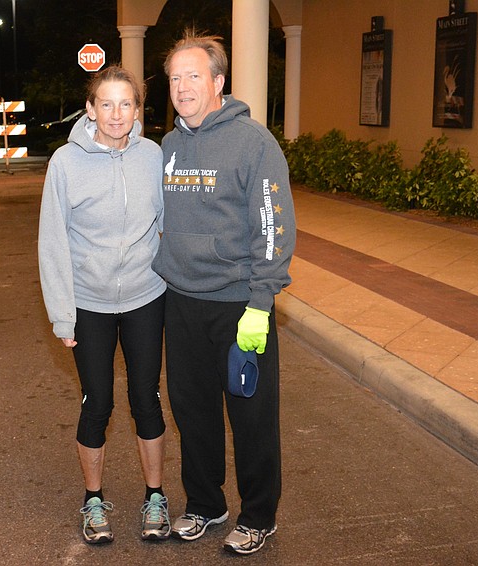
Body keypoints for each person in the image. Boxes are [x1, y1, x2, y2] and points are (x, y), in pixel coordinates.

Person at [151, 32, 296, 555]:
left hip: (239, 305)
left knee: (251, 417)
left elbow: (273, 227)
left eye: (193, 76)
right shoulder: (168, 146)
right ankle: (205, 504)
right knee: (193, 413)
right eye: (174, 78)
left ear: (218, 82)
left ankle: (259, 515)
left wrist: (260, 304)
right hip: (182, 303)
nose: (183, 87)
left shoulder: (254, 143)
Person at [38, 66, 169, 545]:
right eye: (106, 104)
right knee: (98, 403)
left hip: (144, 297)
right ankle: (93, 500)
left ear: (138, 109)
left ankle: (155, 495)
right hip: (89, 303)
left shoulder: (152, 156)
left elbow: (166, 224)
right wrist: (61, 312)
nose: (117, 114)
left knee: (146, 399)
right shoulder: (65, 163)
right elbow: (52, 241)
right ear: (90, 109)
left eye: (126, 104)